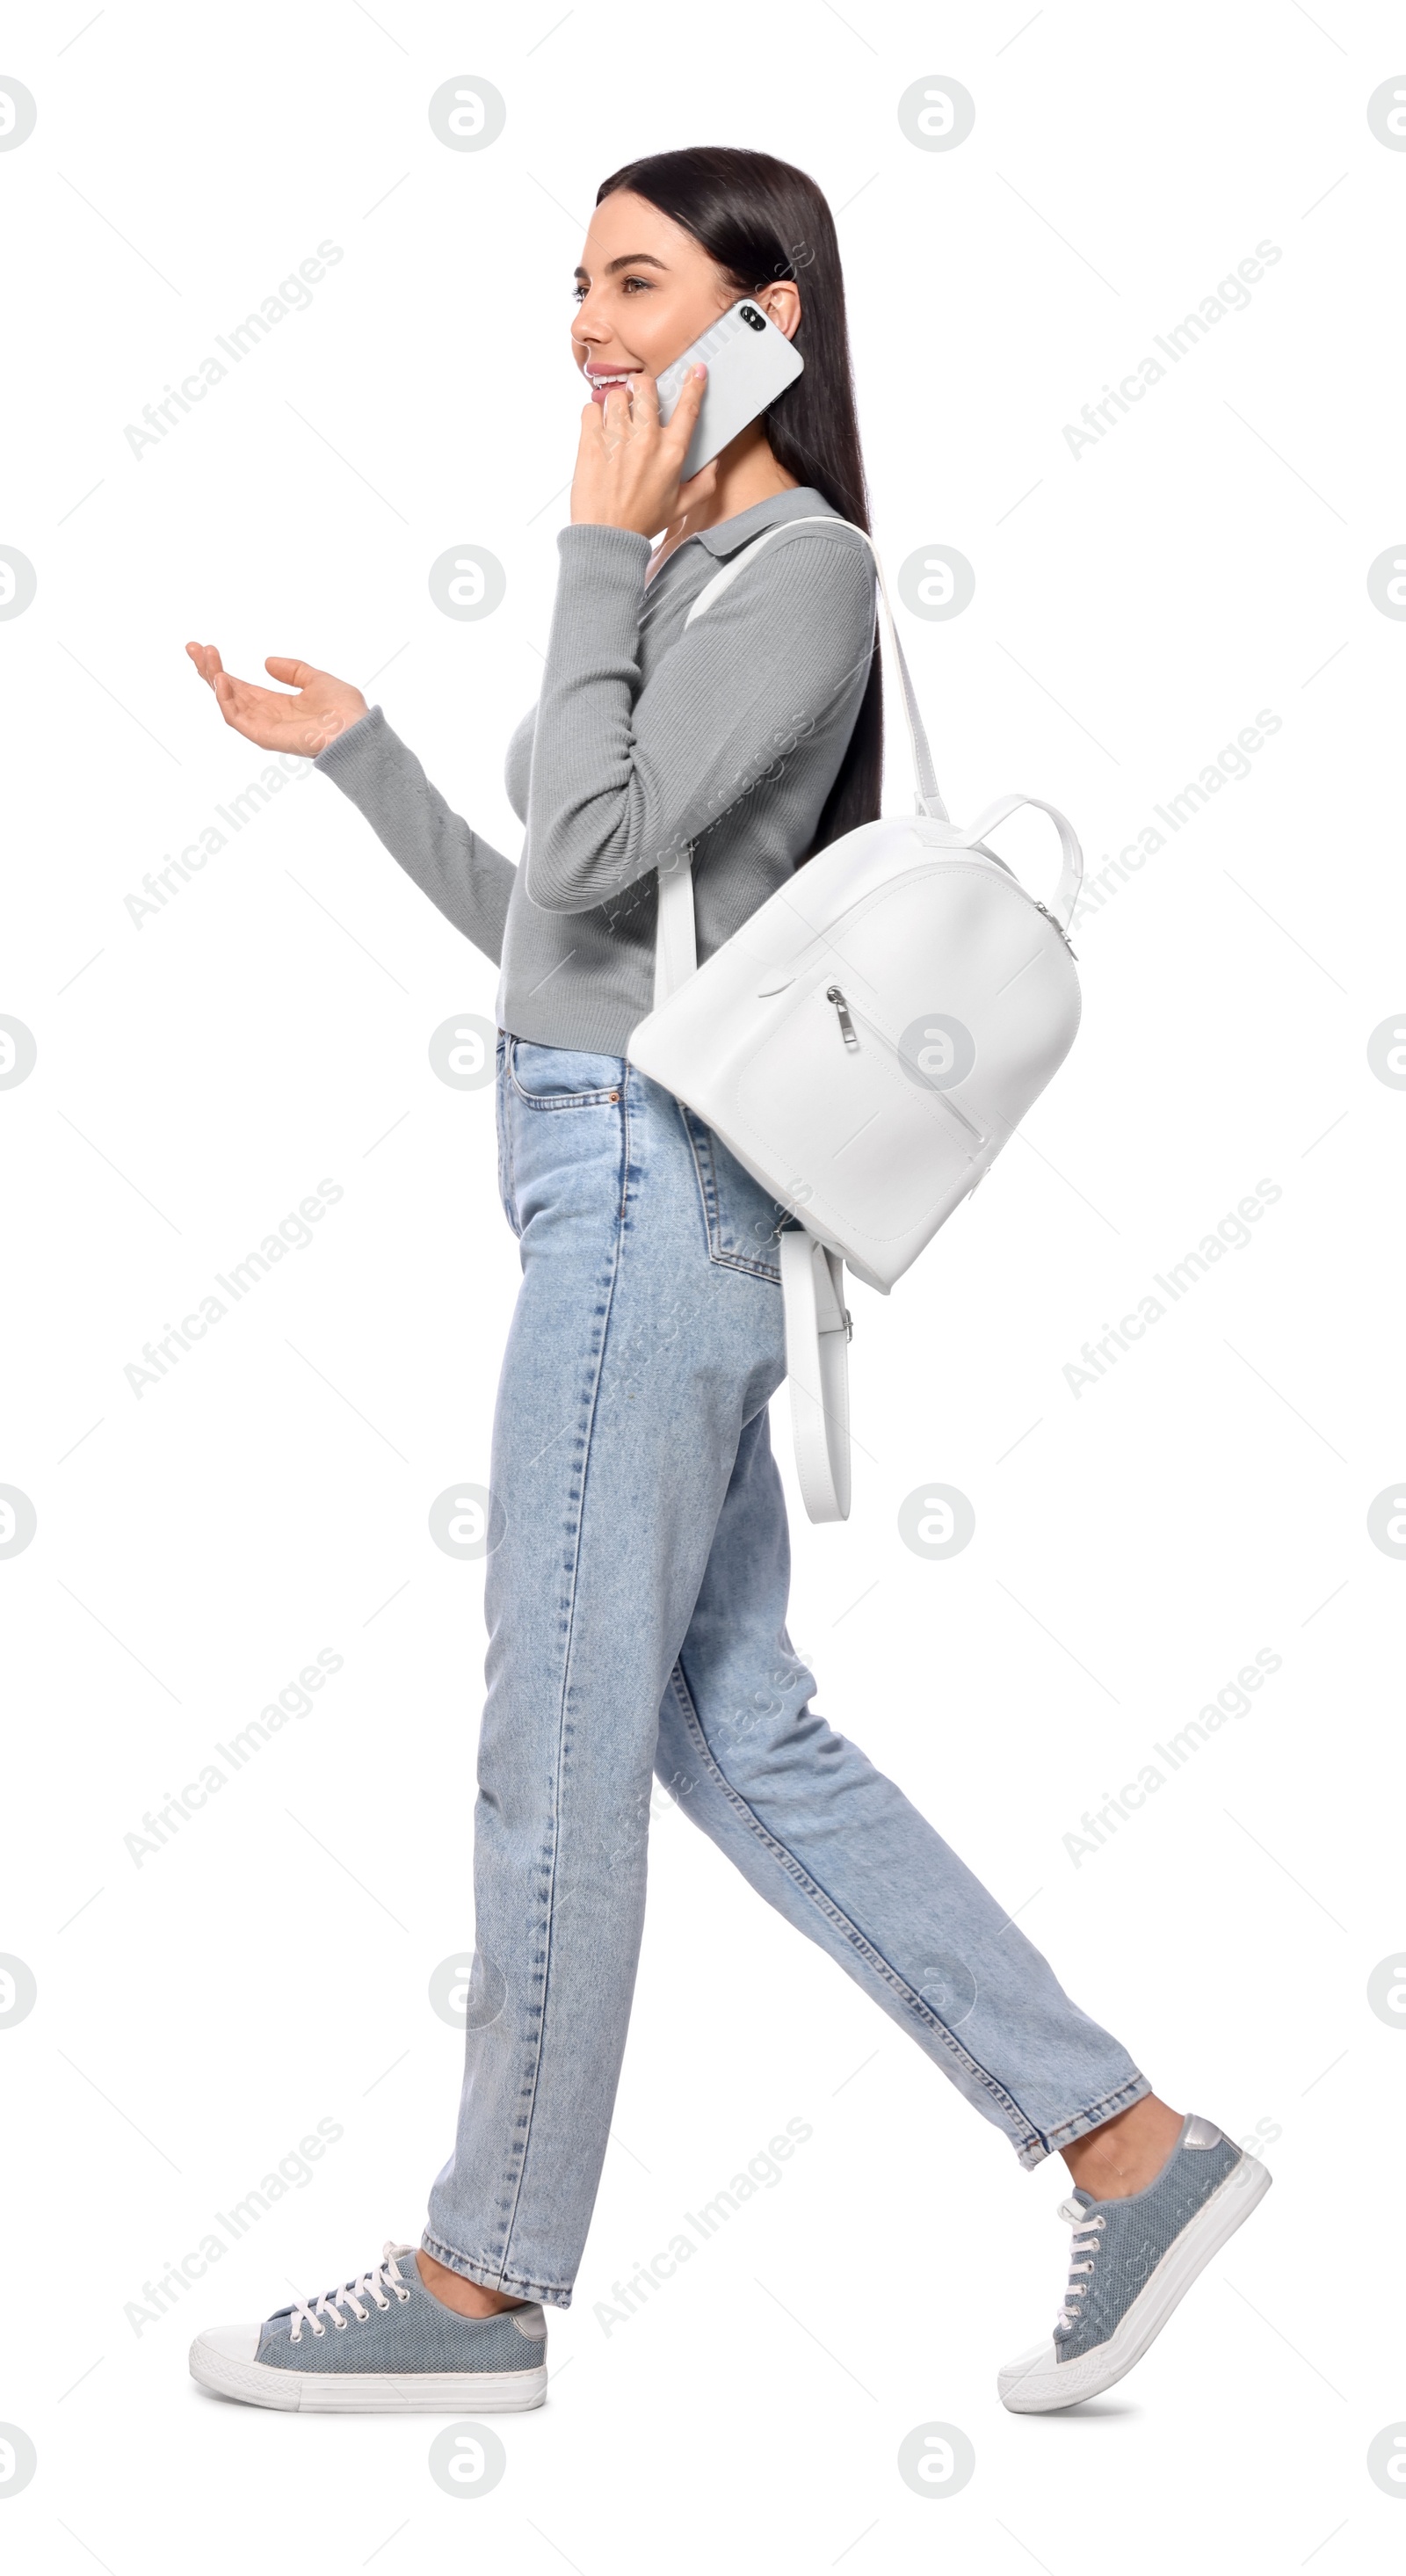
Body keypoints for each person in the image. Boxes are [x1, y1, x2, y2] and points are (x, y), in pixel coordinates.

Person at [184, 146, 1268, 2420]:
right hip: (613, 1169)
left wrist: (596, 551)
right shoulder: (688, 567)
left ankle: (479, 2287)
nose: (586, 319)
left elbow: (595, 849)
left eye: (636, 280)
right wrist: (361, 756)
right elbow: (572, 925)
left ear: (767, 312)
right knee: (730, 1726)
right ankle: (1130, 2145)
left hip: (648, 1199)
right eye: (573, 280)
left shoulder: (795, 567)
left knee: (556, 1734)